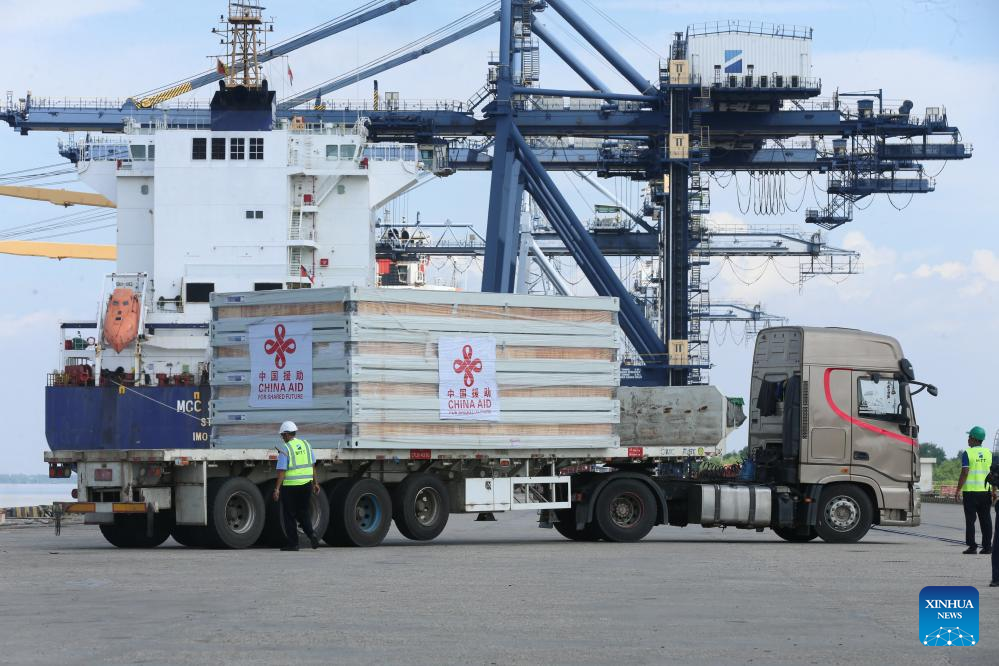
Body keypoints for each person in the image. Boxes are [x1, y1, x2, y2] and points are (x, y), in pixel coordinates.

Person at [272, 421, 320, 551]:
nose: (282, 437)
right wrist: (316, 483)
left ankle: (293, 544)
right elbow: (312, 465)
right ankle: (312, 534)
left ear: (287, 434)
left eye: (282, 435)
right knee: (303, 512)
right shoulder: (306, 445)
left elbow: (282, 471)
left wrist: (277, 489)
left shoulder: (285, 448)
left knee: (289, 515)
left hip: (290, 486)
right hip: (306, 485)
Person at [955, 426, 992, 555]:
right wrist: (994, 491)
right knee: (986, 520)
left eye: (969, 437)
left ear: (974, 439)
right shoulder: (988, 453)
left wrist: (958, 489)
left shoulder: (968, 453)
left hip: (970, 492)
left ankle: (972, 546)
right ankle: (987, 547)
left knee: (970, 520)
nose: (968, 439)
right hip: (985, 492)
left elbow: (965, 472)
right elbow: (992, 474)